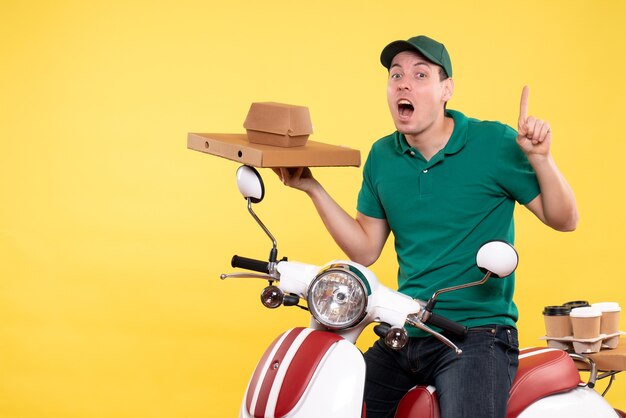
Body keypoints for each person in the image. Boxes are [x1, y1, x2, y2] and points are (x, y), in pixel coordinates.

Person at [273, 35, 578, 418]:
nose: (404, 83)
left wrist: (541, 159)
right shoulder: (383, 156)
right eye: (396, 75)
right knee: (336, 400)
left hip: (477, 335)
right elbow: (366, 249)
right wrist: (312, 187)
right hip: (405, 328)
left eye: (420, 75)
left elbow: (565, 220)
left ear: (446, 89)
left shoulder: (494, 142)